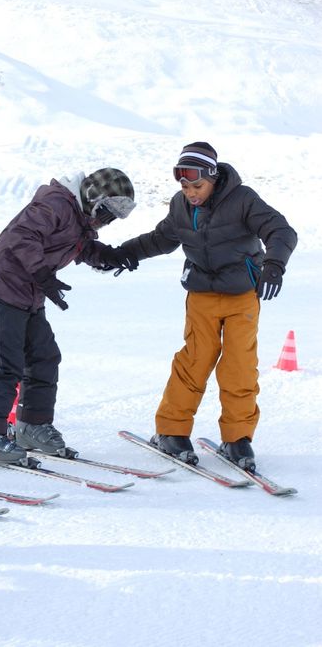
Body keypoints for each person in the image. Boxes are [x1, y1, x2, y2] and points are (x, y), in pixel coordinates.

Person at [99, 142, 297, 471]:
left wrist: (274, 265)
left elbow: (280, 230)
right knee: (194, 360)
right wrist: (123, 253)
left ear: (214, 178)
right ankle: (172, 431)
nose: (191, 193)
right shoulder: (180, 206)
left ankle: (237, 438)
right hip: (202, 295)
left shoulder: (243, 200)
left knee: (240, 365)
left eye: (197, 186)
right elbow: (160, 239)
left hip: (242, 296)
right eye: (185, 186)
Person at [0, 168, 138, 464]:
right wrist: (43, 274)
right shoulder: (56, 204)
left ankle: (31, 425)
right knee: (6, 363)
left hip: (28, 293)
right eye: (106, 213)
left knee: (44, 357)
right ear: (94, 198)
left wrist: (109, 257)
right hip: (3, 286)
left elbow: (77, 246)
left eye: (111, 218)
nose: (105, 222)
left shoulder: (78, 217)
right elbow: (22, 235)